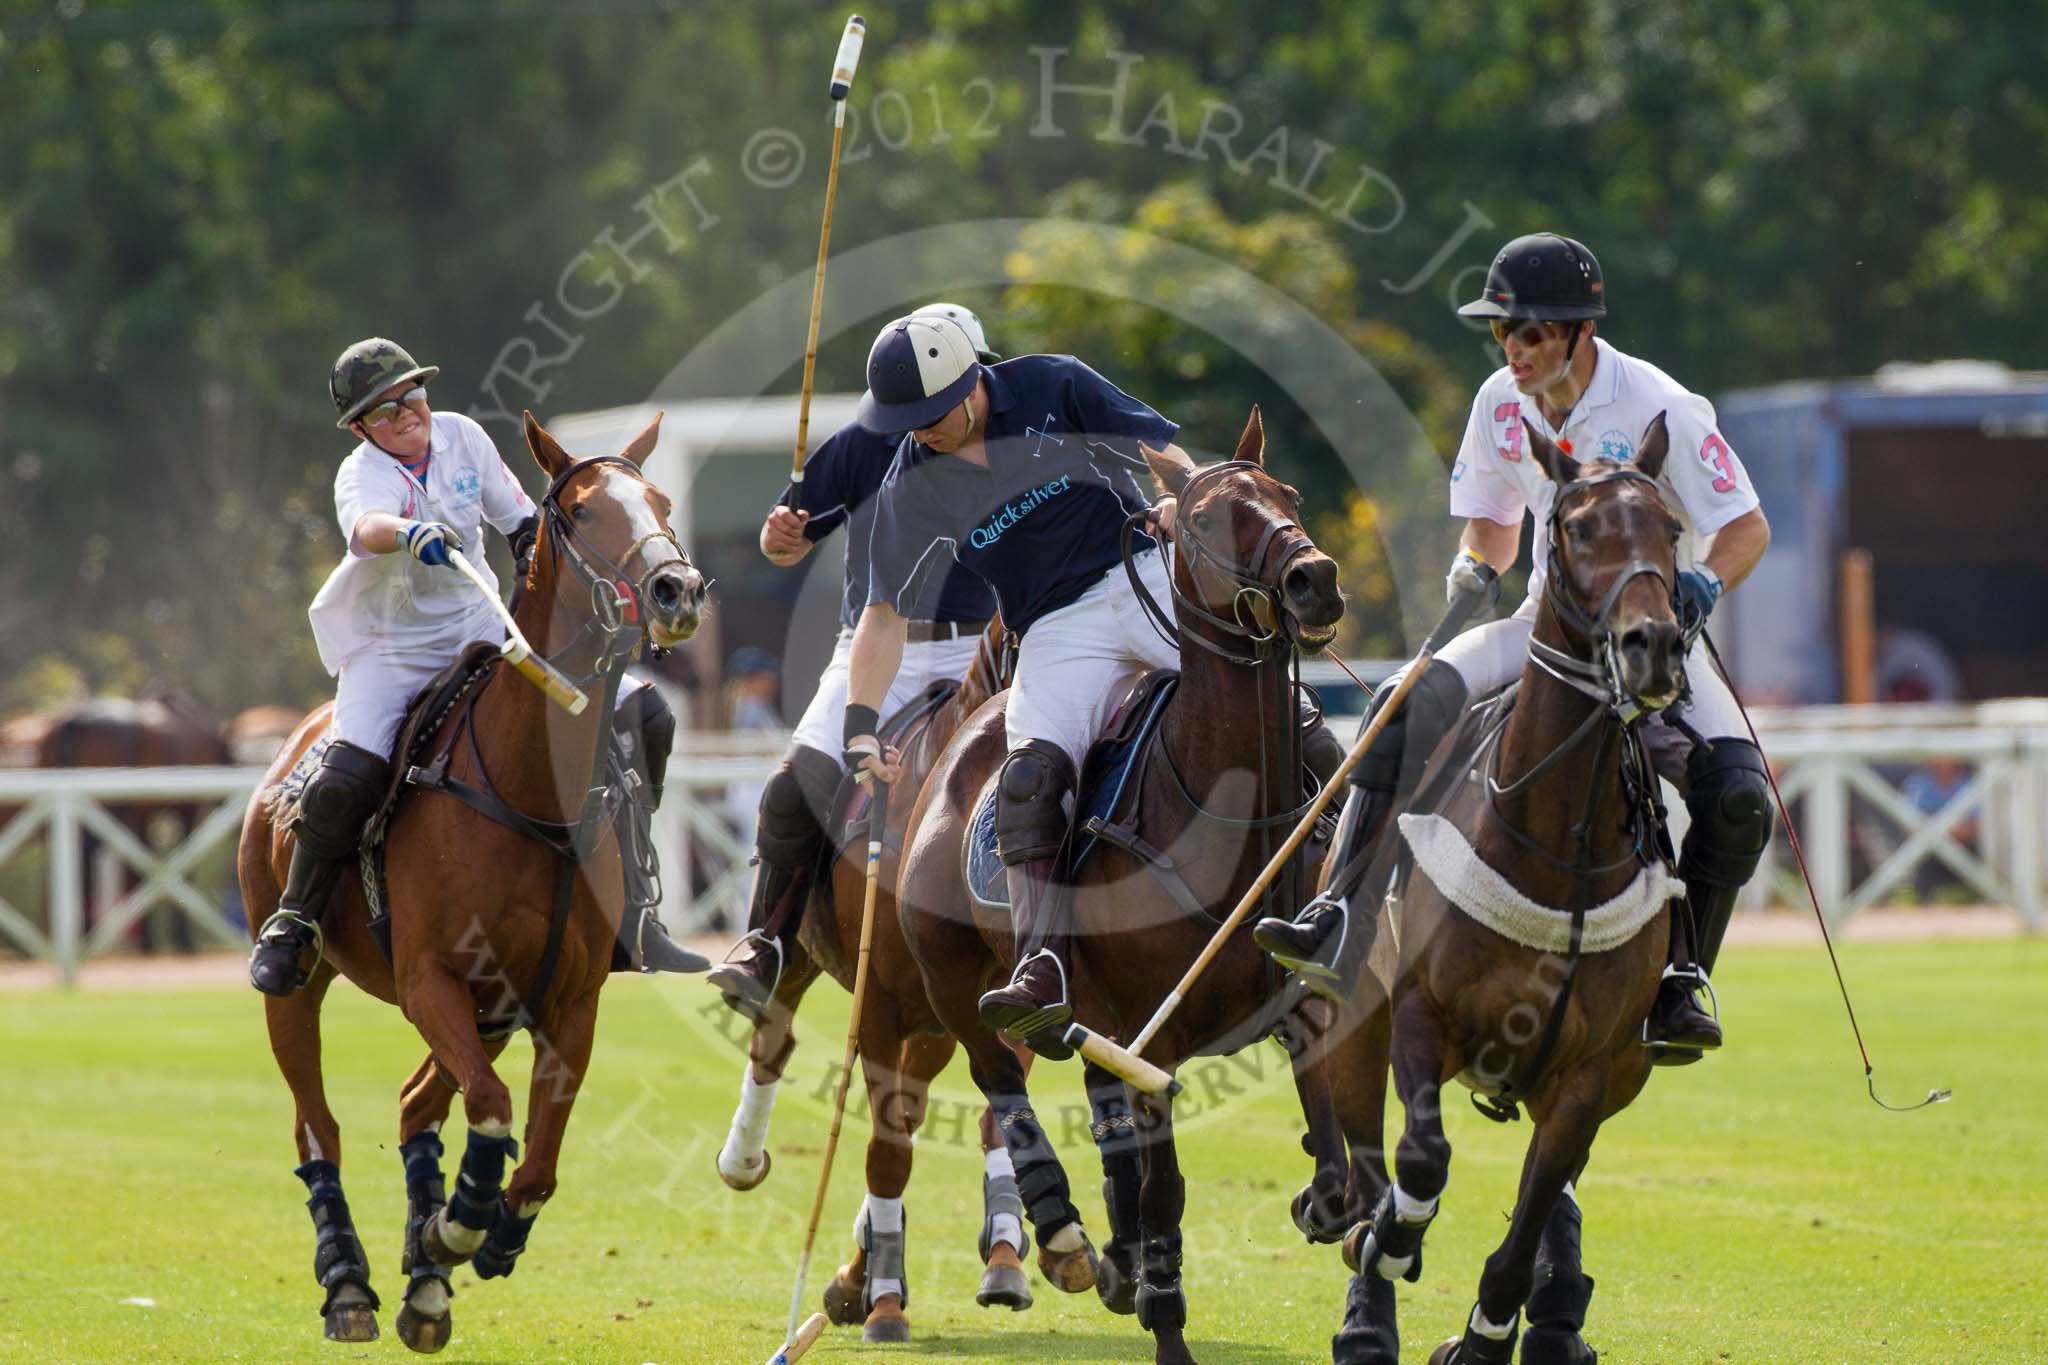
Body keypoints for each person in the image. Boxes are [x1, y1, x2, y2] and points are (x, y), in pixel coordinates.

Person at [1256, 233, 1775, 1062]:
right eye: (1503, 331)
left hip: (1649, 638)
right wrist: (1474, 566)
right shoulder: (1501, 401)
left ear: (1579, 331)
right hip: (1545, 626)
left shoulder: (1660, 405)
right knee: (1401, 711)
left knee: (1742, 796)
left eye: (1530, 331)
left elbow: (1746, 527)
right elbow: (1495, 525)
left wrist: (1702, 584)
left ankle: (1681, 978)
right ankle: (1340, 919)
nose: (1513, 348)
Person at [248, 338, 701, 996]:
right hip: (393, 651)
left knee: (646, 716)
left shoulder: (462, 438)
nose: (407, 414)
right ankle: (295, 920)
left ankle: (632, 910)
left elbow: (521, 520)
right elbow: (368, 525)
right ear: (360, 428)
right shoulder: (361, 472)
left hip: (484, 630)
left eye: (413, 396)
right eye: (385, 410)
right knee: (347, 774)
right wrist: (408, 532)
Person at [835, 312, 1205, 1058]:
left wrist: (1189, 496)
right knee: (1029, 776)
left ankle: (1331, 883)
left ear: (972, 383)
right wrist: (860, 722)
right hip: (1055, 628)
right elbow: (881, 616)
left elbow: (1158, 447)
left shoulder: (1051, 383)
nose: (920, 431)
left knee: (1255, 694)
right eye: (903, 421)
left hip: (1139, 574)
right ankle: (1044, 964)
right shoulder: (912, 478)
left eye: (928, 414)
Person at [706, 304, 1002, 1020]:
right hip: (879, 646)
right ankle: (767, 941)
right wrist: (782, 535)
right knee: (792, 787)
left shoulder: (1016, 435)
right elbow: (788, 544)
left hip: (988, 646)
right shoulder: (867, 441)